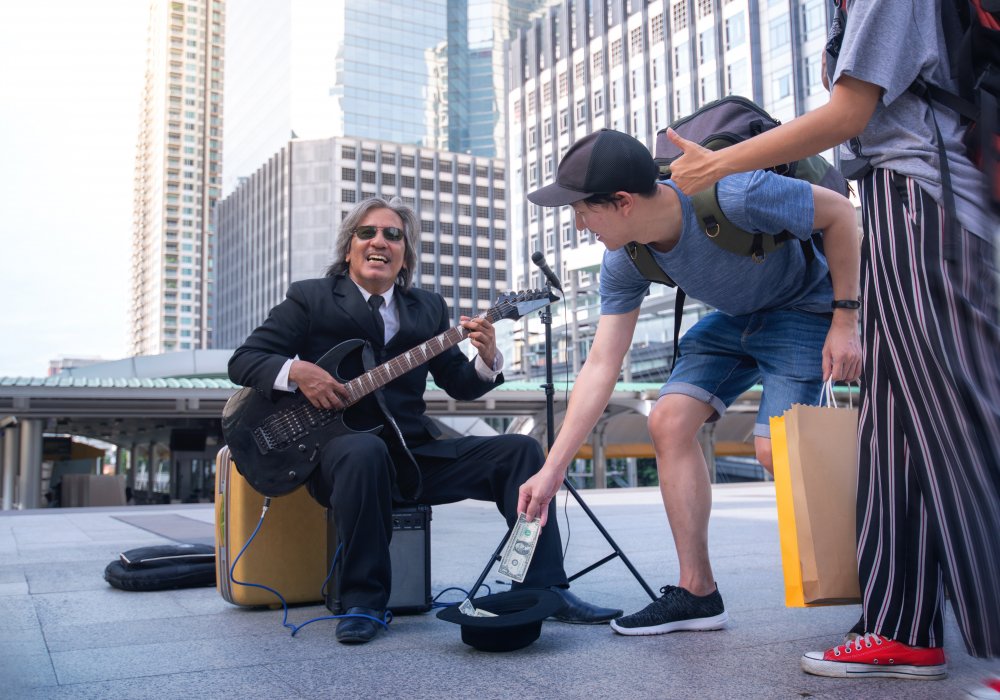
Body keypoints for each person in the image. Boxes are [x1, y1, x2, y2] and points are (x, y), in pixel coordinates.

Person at [666, 0, 1000, 684]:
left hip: (927, 201)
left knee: (961, 419)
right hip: (896, 199)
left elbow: (848, 114)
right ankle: (901, 627)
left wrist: (716, 168)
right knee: (894, 433)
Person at [228, 195, 621, 645]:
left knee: (521, 451)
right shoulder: (310, 298)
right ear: (348, 247)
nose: (380, 242)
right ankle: (363, 601)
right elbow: (246, 360)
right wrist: (298, 372)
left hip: (416, 457)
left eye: (393, 235)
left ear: (405, 254)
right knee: (363, 450)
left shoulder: (427, 309)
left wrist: (487, 358)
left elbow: (460, 384)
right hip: (340, 460)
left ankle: (544, 587)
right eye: (367, 232)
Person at [517, 128, 862, 637]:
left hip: (802, 309)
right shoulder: (626, 259)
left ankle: (896, 575)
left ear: (624, 202)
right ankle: (698, 593)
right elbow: (601, 365)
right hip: (734, 321)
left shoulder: (733, 193)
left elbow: (841, 214)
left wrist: (845, 320)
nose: (578, 224)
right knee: (669, 420)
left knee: (777, 450)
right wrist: (552, 470)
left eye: (583, 211)